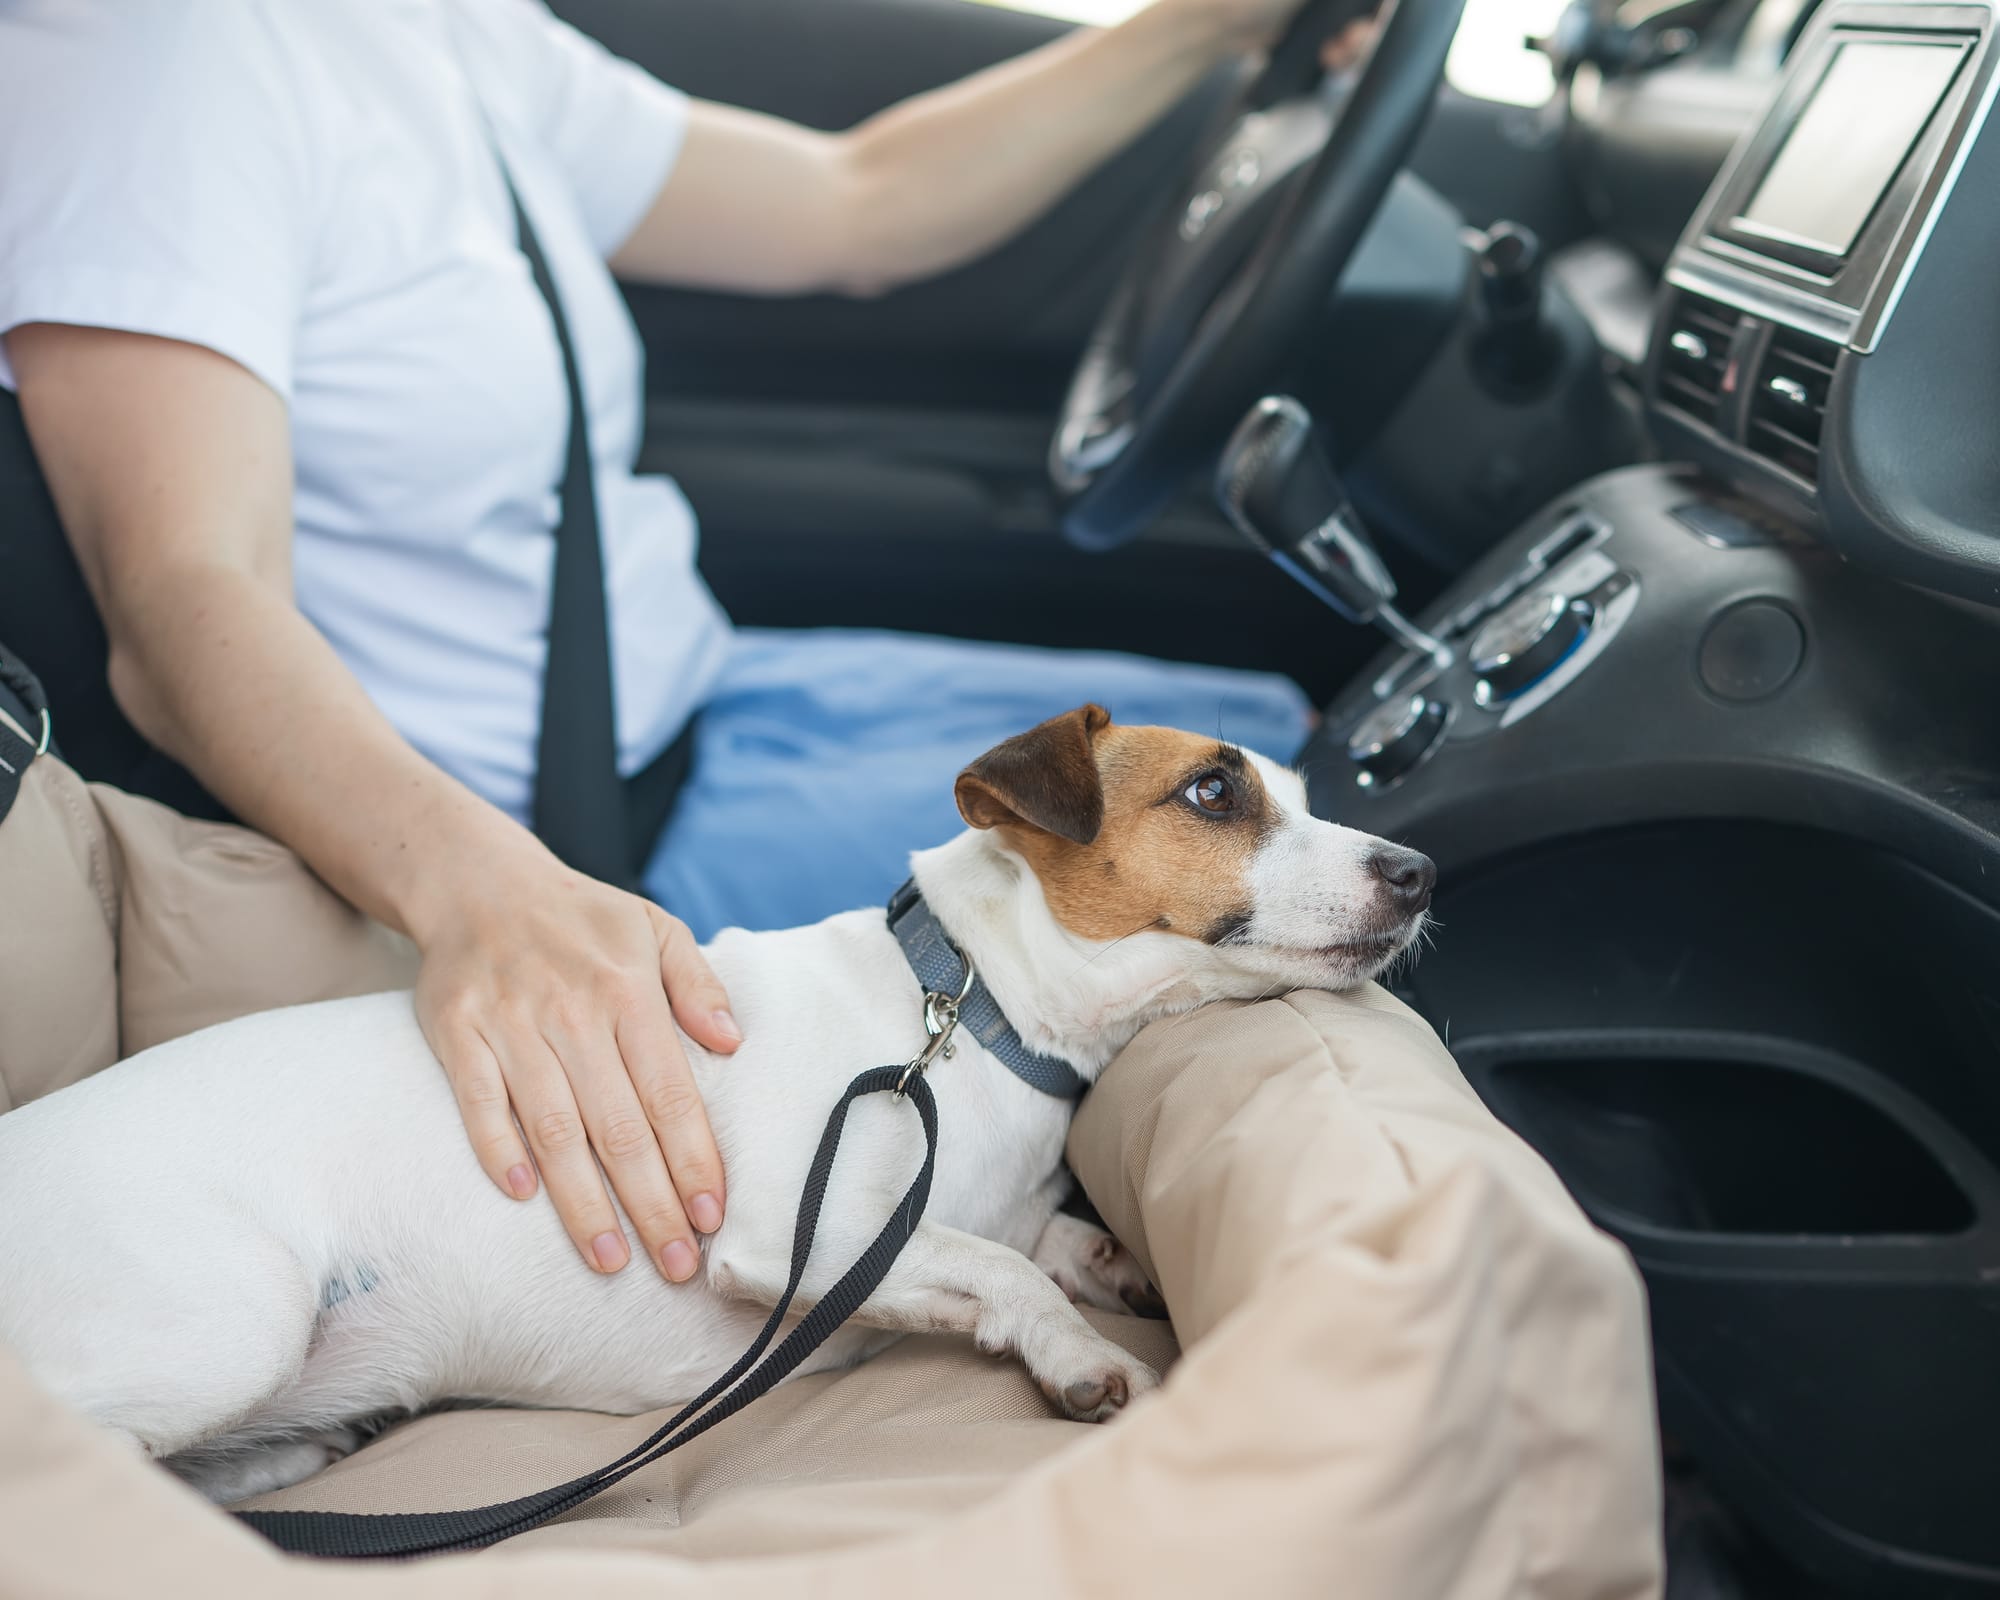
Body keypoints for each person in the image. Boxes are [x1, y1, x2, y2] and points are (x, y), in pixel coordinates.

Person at [0, 0, 1316, 1294]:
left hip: (718, 688)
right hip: (569, 837)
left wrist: (1206, 24)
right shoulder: (150, 71)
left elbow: (860, 202)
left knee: (1288, 735)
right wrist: (491, 901)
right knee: (1302, 849)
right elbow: (183, 600)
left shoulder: (431, 26)